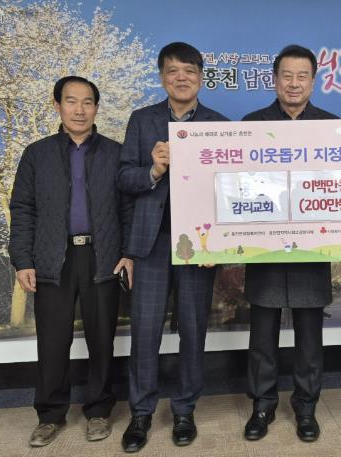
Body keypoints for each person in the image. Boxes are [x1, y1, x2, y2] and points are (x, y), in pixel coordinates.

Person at [118, 42, 228, 453]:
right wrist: (154, 169)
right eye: (172, 71)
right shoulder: (142, 120)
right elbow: (123, 179)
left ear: (201, 77)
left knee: (193, 330)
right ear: (162, 77)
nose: (181, 78)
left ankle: (184, 410)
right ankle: (141, 413)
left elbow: (228, 189)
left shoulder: (219, 124)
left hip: (198, 245)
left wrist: (218, 245)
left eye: (189, 71)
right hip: (151, 243)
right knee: (145, 332)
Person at [9, 76, 130, 447]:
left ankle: (99, 410)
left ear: (96, 107)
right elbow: (22, 208)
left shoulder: (115, 153)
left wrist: (128, 253)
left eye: (87, 102)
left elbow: (128, 207)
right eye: (71, 101)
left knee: (101, 339)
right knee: (52, 341)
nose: (80, 110)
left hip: (102, 256)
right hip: (52, 258)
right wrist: (22, 260)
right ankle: (50, 415)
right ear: (57, 105)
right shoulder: (37, 154)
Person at [241, 44, 338, 443]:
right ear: (274, 79)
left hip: (313, 250)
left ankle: (306, 408)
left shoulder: (331, 126)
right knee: (261, 336)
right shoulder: (251, 124)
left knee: (310, 338)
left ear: (313, 81)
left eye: (302, 76)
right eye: (287, 75)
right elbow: (239, 186)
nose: (294, 83)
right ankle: (262, 406)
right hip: (264, 248)